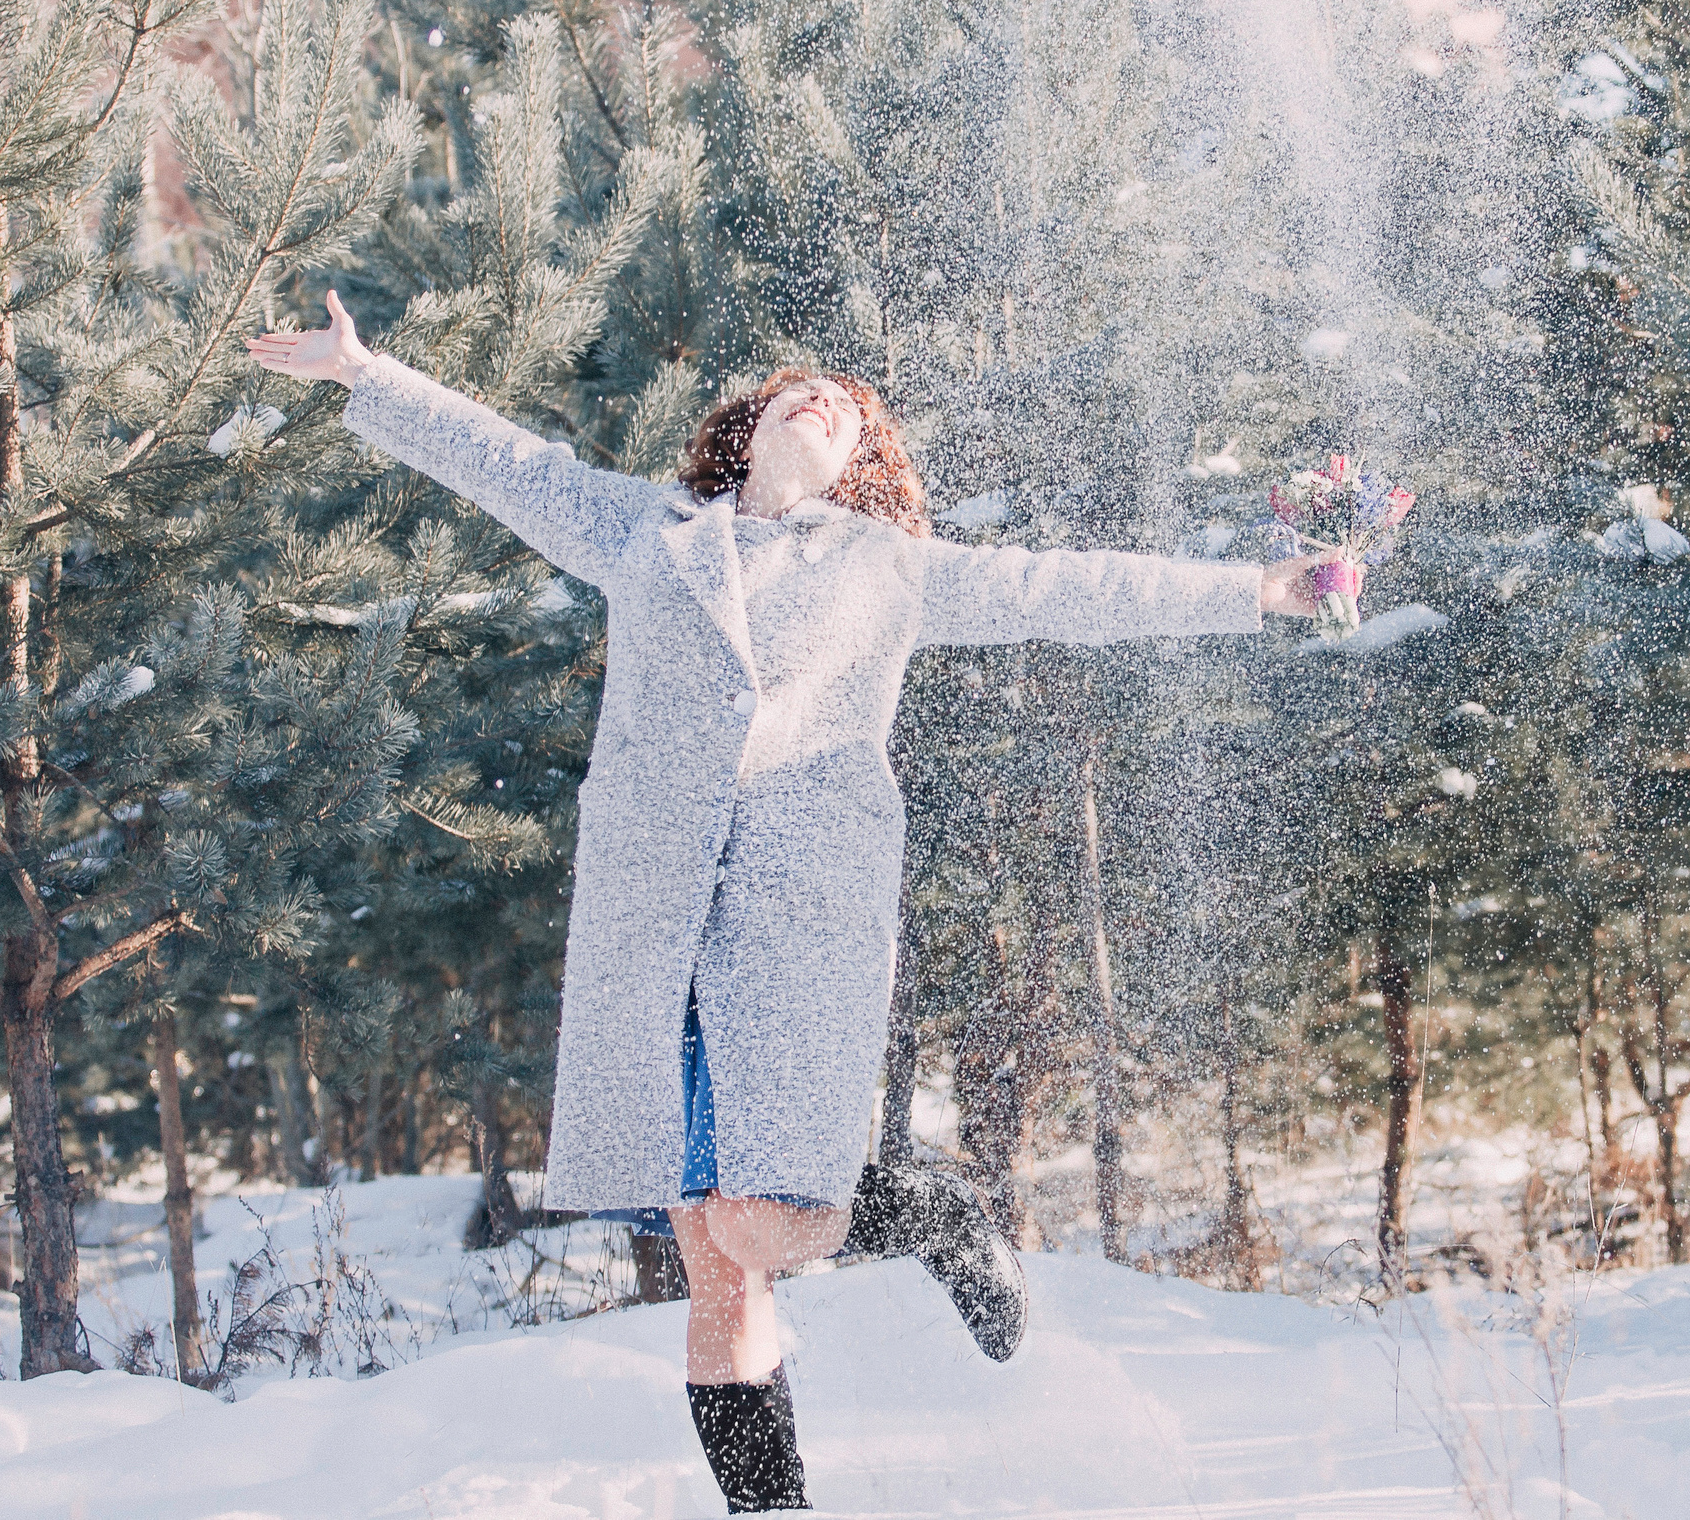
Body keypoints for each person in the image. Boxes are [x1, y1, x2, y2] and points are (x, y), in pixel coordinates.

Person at [250, 296, 1331, 1511]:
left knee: (763, 1221)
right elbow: (511, 463)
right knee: (714, 1263)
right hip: (651, 922)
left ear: (859, 465)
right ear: (751, 421)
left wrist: (1257, 589)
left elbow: (1063, 586)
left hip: (800, 914)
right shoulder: (643, 531)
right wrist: (362, 374)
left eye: (853, 412)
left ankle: (922, 1207)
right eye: (805, 389)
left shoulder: (887, 569)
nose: (826, 400)